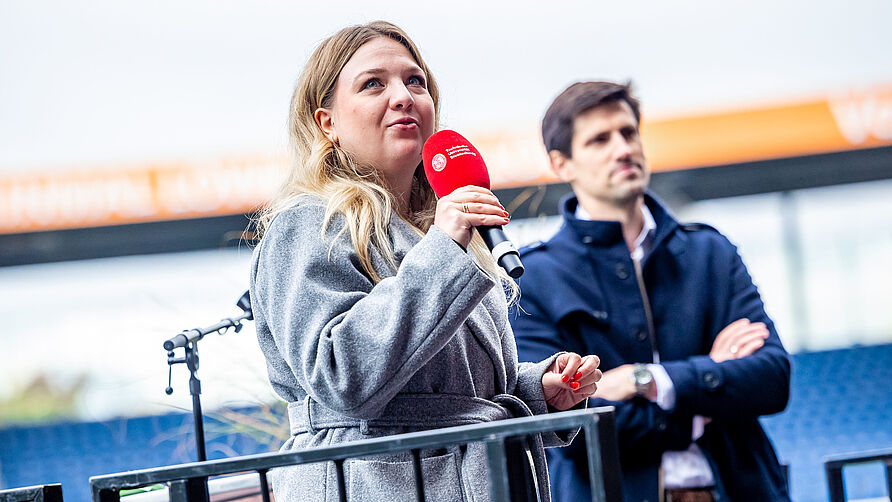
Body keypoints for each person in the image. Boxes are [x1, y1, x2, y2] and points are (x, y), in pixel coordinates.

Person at [249, 21, 601, 502]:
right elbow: (340, 375)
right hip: (371, 484)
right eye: (374, 83)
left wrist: (537, 389)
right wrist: (443, 249)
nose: (403, 96)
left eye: (415, 81)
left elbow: (450, 390)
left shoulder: (438, 232)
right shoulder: (309, 223)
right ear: (326, 122)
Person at [510, 81, 792, 502]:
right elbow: (564, 421)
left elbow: (771, 378)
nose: (622, 148)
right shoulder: (531, 276)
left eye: (628, 132)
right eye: (600, 140)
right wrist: (704, 395)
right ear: (562, 163)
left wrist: (646, 381)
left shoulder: (709, 251)